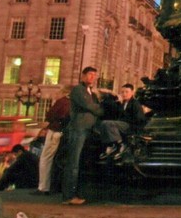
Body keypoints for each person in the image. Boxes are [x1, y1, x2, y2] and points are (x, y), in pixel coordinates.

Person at [62, 66, 107, 205]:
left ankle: (77, 193)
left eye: (94, 75)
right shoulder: (78, 90)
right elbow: (91, 107)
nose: (92, 77)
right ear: (83, 76)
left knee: (81, 163)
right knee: (73, 163)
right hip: (79, 128)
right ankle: (68, 196)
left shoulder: (91, 93)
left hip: (89, 129)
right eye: (90, 74)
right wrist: (100, 110)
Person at [33, 86, 71, 195]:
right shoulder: (74, 103)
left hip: (55, 131)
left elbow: (50, 115)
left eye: (58, 93)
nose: (56, 95)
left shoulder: (62, 101)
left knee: (46, 158)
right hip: (64, 133)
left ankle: (43, 187)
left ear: (64, 93)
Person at [99, 83, 148, 162]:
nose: (124, 94)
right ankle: (111, 145)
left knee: (109, 124)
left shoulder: (135, 104)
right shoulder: (123, 104)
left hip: (130, 126)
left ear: (132, 92)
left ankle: (119, 144)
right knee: (103, 124)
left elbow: (140, 119)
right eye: (123, 92)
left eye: (126, 92)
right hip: (122, 124)